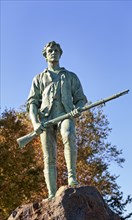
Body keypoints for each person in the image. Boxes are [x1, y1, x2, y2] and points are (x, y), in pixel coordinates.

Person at [27, 41, 87, 200]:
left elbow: (81, 99)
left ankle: (72, 178)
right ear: (45, 55)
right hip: (45, 119)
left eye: (56, 50)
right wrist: (35, 123)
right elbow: (32, 103)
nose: (53, 52)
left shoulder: (70, 76)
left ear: (60, 54)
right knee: (49, 156)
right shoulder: (38, 78)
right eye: (50, 50)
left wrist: (78, 108)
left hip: (65, 115)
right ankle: (52, 194)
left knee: (68, 134)